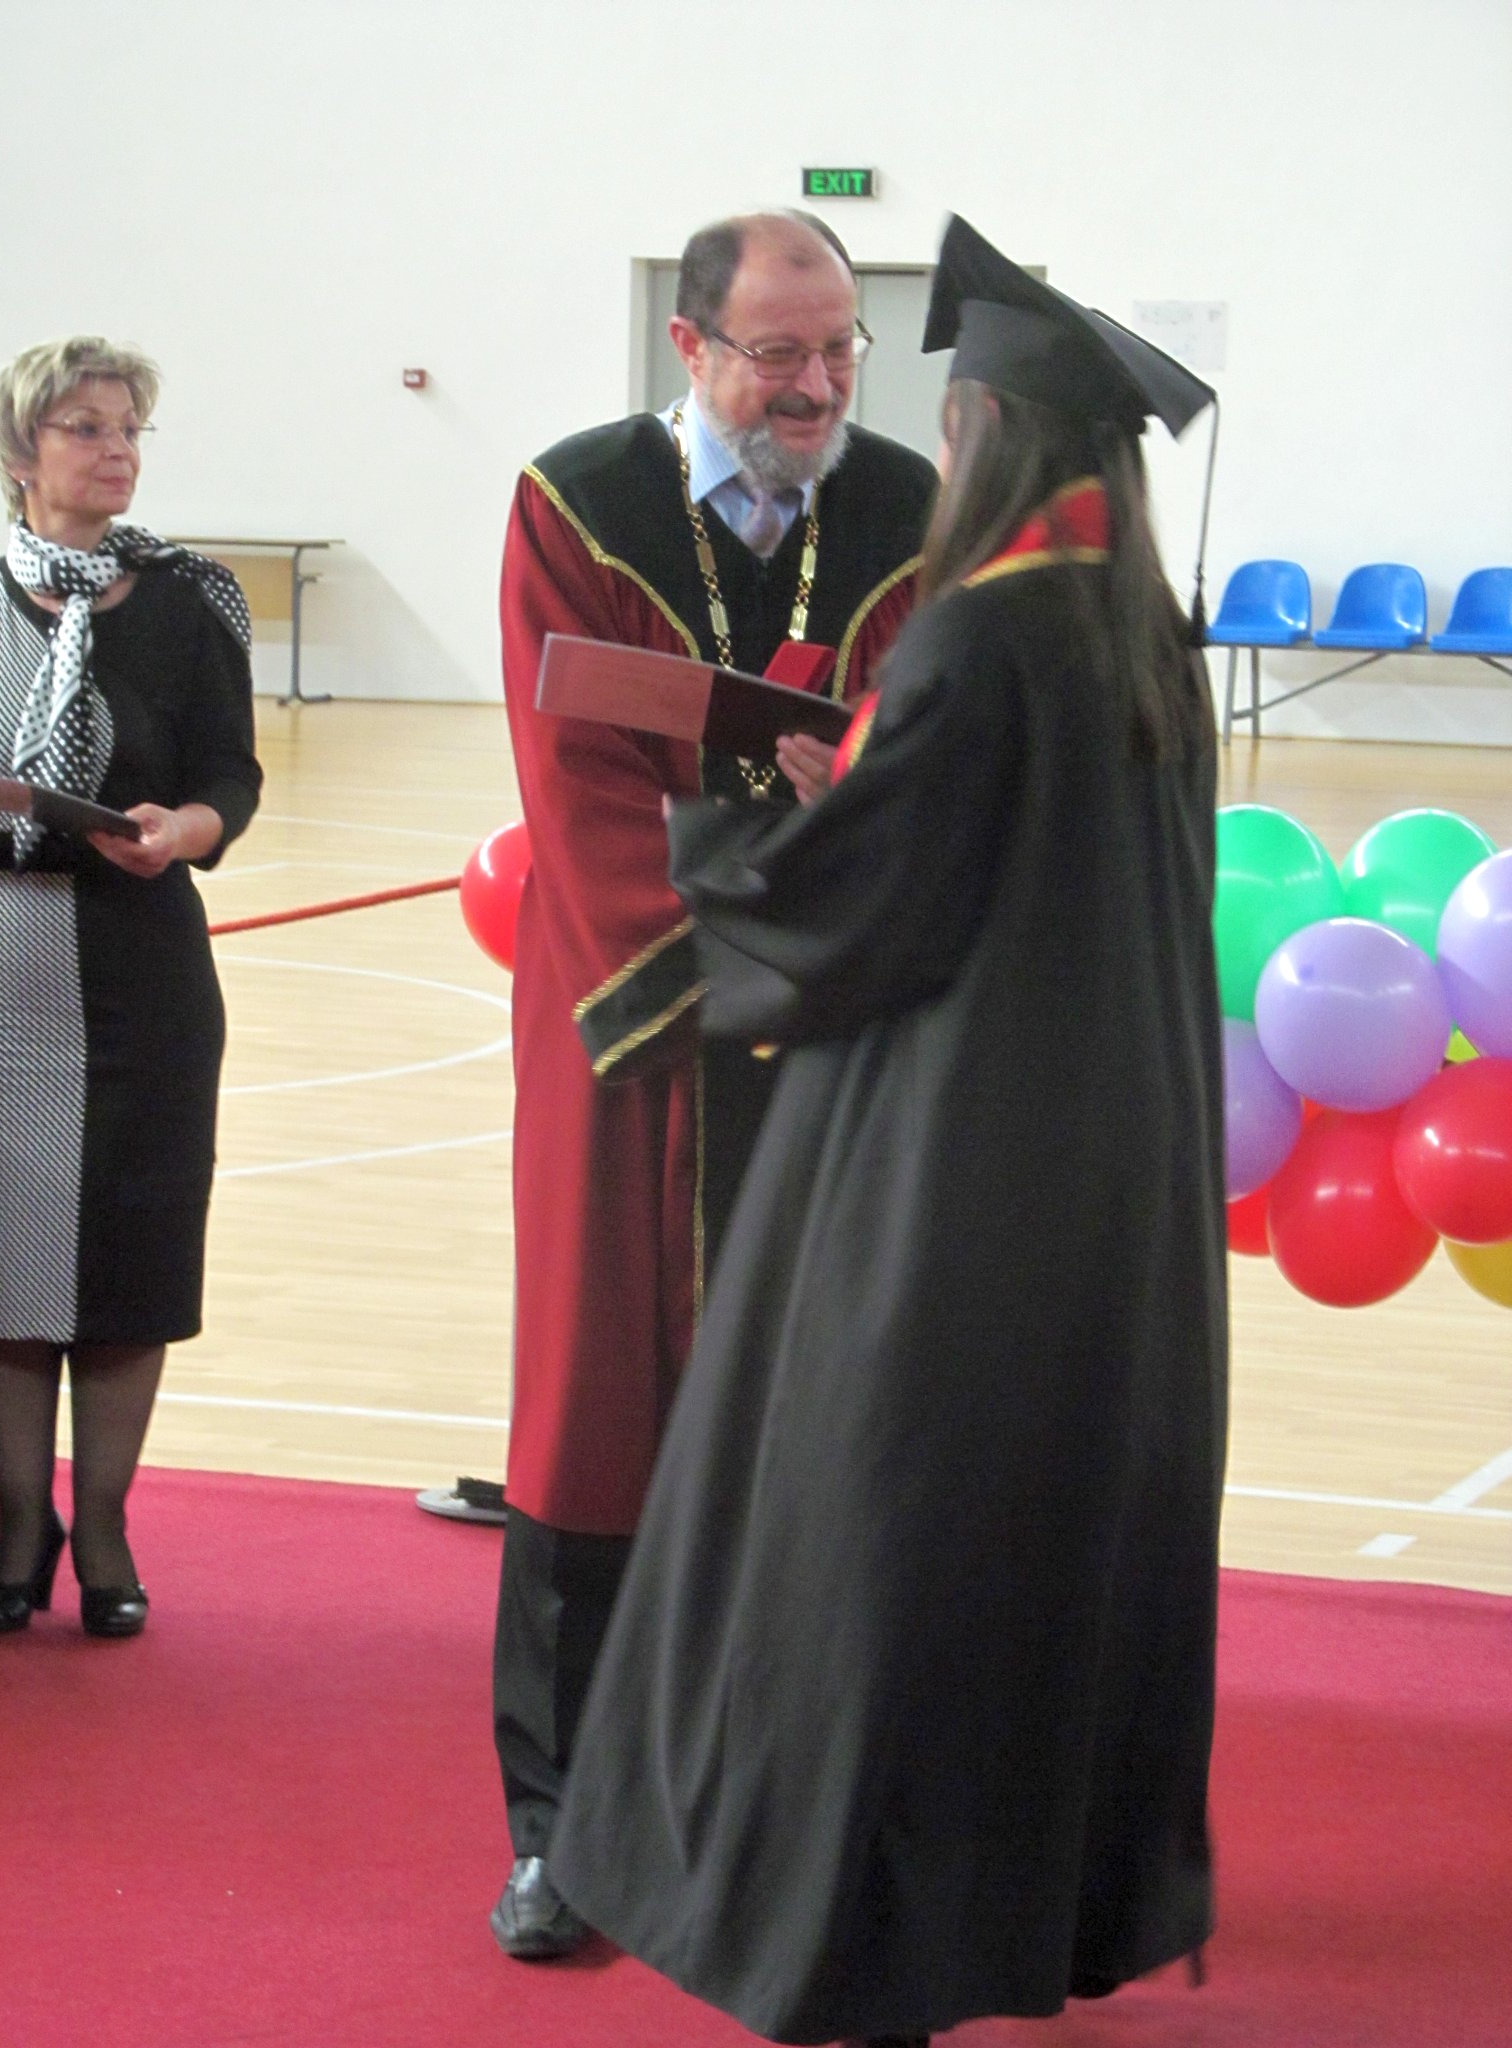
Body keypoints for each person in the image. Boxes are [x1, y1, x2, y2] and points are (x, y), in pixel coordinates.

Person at [547, 215, 1229, 2048]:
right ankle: (1032, 1913)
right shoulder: (1146, 627)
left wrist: (755, 831)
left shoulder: (983, 634)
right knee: (1044, 1551)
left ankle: (870, 1954)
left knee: (874, 1546)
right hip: (1115, 1177)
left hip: (954, 1172)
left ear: (987, 432)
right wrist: (871, 780)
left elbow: (861, 918)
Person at [490, 210, 937, 1956]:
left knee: (822, 1420)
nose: (815, 385)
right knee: (592, 1405)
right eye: (776, 353)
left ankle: (779, 1802)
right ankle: (566, 1833)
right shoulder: (576, 503)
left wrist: (869, 800)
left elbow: (931, 748)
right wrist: (738, 937)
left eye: (838, 350)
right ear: (690, 346)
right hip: (636, 1031)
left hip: (835, 1031)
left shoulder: (910, 511)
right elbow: (578, 782)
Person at [0, 337, 261, 1640]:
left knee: (129, 1257)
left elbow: (231, 777)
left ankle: (103, 1526)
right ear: (20, 451)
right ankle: (17, 1526)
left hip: (142, 964)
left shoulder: (192, 604)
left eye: (130, 428)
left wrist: (184, 830)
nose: (116, 450)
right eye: (86, 428)